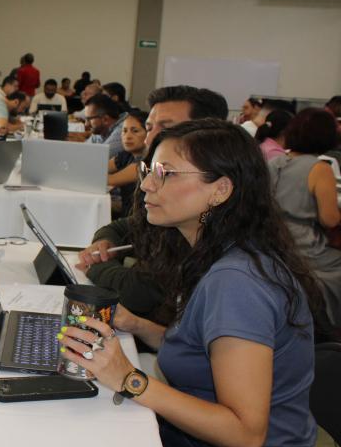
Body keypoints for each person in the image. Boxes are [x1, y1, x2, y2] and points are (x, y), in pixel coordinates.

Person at [61, 119, 321, 447]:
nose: (147, 185)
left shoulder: (236, 282)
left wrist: (130, 379)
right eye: (149, 171)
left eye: (165, 174)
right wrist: (139, 326)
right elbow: (211, 355)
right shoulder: (220, 254)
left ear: (221, 190)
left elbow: (246, 434)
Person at [76, 85, 229, 319]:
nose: (150, 137)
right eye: (149, 127)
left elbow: (143, 291)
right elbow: (124, 227)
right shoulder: (172, 193)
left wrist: (95, 266)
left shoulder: (220, 234)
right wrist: (104, 242)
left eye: (167, 128)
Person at [268, 108, 341, 342]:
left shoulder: (275, 162)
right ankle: (339, 323)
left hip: (272, 240)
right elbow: (329, 219)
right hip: (305, 245)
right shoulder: (320, 169)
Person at [107, 111, 148, 218]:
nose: (128, 136)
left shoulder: (147, 161)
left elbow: (109, 180)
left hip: (141, 220)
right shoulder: (126, 155)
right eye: (124, 131)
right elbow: (99, 168)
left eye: (135, 131)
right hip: (126, 212)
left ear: (149, 133)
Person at [84, 93, 125, 158]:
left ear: (105, 119)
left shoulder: (123, 129)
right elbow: (83, 150)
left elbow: (99, 157)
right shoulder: (101, 130)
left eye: (89, 119)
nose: (86, 124)